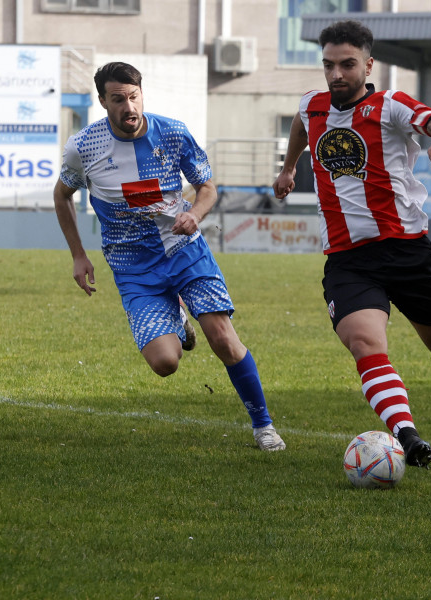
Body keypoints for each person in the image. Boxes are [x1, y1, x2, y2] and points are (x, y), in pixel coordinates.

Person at [54, 61, 285, 451]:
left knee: (223, 339)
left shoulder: (173, 133)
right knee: (165, 363)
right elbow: (62, 196)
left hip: (184, 251)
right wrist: (78, 255)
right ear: (102, 101)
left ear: (141, 93)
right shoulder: (83, 146)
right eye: (118, 99)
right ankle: (176, 314)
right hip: (132, 267)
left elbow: (207, 188)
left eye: (133, 96)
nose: (128, 107)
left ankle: (263, 426)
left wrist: (194, 214)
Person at [272, 20, 431, 468]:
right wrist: (288, 169)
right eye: (328, 65)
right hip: (347, 257)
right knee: (364, 342)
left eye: (347, 64)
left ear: (368, 64)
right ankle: (408, 436)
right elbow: (302, 127)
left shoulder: (392, 104)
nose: (336, 74)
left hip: (407, 249)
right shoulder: (312, 105)